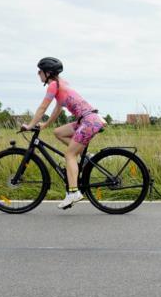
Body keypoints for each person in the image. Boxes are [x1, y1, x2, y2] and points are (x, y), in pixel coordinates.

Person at [22, 57, 106, 209]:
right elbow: (57, 108)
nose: (38, 74)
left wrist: (30, 125)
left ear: (47, 73)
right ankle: (85, 156)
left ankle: (73, 193)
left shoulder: (53, 85)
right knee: (58, 132)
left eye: (39, 71)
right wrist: (45, 125)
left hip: (88, 121)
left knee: (69, 155)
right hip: (88, 119)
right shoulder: (61, 83)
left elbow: (43, 108)